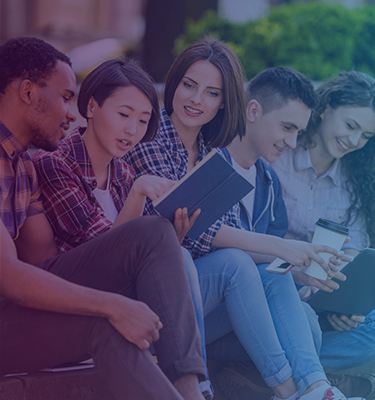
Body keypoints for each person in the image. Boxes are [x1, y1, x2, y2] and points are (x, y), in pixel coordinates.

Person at [125, 40, 359, 400]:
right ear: (173, 84)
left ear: (222, 101)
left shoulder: (209, 153)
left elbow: (224, 232)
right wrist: (287, 247)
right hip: (159, 294)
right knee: (238, 264)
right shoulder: (150, 138)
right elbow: (204, 235)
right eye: (189, 85)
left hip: (204, 299)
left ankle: (314, 386)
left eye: (212, 93)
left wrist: (298, 261)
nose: (197, 100)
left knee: (275, 280)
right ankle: (287, 389)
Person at [0, 36, 207, 400]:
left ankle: (191, 394)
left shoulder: (23, 166)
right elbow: (10, 277)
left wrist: (150, 260)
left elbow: (44, 264)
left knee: (115, 319)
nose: (70, 112)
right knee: (143, 248)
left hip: (18, 315)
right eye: (66, 97)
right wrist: (112, 302)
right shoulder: (42, 164)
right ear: (28, 92)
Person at [269, 70, 375, 398]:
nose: (355, 141)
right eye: (351, 126)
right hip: (274, 290)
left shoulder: (354, 181)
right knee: (305, 324)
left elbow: (355, 250)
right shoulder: (280, 153)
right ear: (326, 107)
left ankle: (290, 373)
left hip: (323, 303)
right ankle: (315, 378)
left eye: (367, 136)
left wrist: (344, 306)